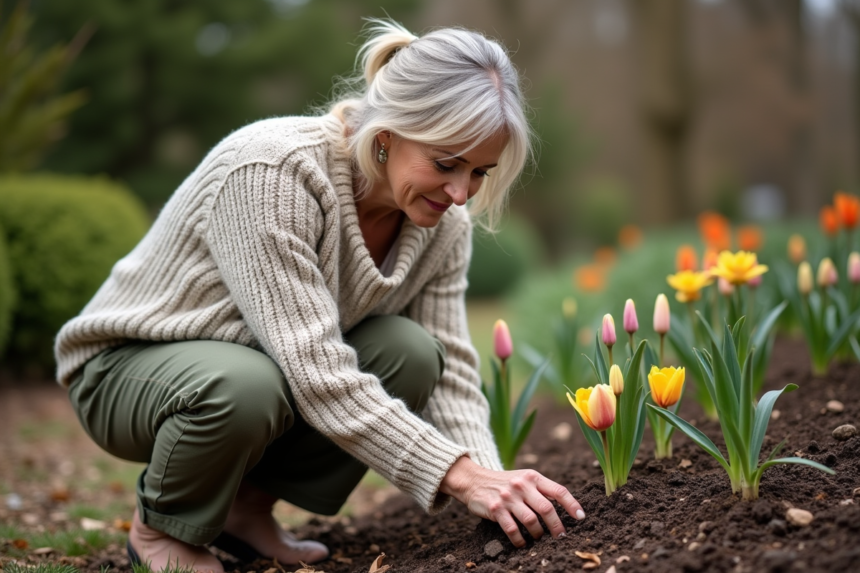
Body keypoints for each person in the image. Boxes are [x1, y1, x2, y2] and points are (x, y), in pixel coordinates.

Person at [55, 19, 586, 573]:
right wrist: (458, 476)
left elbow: (449, 368)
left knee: (411, 350)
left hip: (259, 368)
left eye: (479, 171)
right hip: (127, 370)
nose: (460, 194)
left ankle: (245, 510)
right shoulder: (275, 173)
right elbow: (315, 373)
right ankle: (162, 529)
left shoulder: (442, 225)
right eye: (446, 163)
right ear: (385, 139)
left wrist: (492, 485)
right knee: (244, 385)